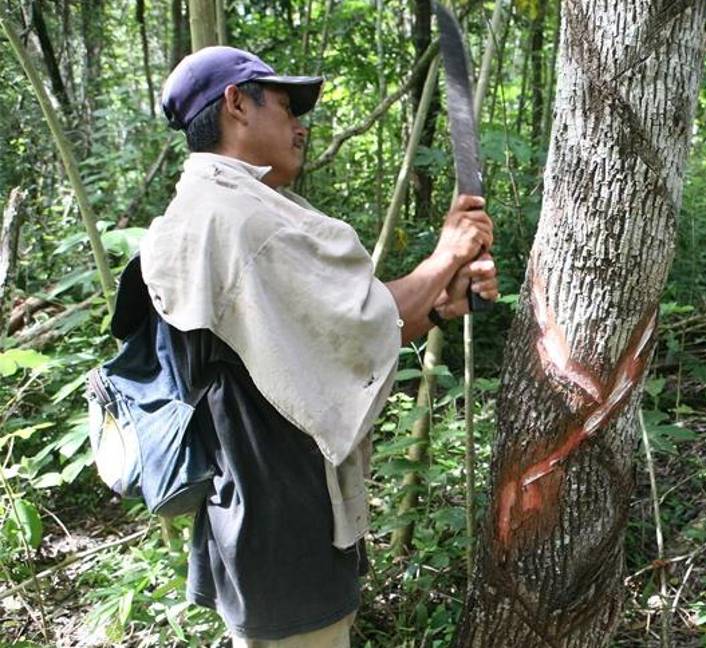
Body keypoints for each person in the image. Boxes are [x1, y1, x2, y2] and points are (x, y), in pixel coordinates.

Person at [139, 46, 497, 646]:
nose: (300, 124)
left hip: (247, 516)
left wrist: (436, 301)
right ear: (235, 104)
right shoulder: (239, 219)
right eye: (284, 104)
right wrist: (446, 257)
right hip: (283, 522)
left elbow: (312, 347)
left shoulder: (198, 212)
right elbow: (358, 326)